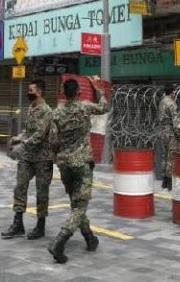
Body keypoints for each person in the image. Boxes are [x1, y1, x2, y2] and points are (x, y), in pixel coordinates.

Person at [48, 76, 110, 264]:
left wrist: (60, 153)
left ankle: (90, 238)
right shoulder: (84, 106)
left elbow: (52, 140)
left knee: (76, 203)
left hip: (65, 164)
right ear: (78, 92)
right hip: (82, 163)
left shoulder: (56, 113)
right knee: (80, 205)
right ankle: (59, 242)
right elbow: (104, 108)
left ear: (64, 94)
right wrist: (98, 88)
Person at [1, 79, 56, 240]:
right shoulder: (31, 108)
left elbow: (39, 135)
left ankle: (40, 226)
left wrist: (22, 144)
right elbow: (28, 130)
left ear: (39, 92)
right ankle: (18, 224)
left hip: (42, 158)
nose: (28, 92)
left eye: (31, 90)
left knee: (42, 192)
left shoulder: (46, 111)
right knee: (20, 187)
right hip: (27, 157)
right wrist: (17, 138)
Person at [157, 86, 178, 190]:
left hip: (163, 131)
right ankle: (170, 182)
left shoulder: (162, 102)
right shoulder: (171, 103)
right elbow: (175, 120)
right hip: (170, 133)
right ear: (173, 93)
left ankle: (164, 181)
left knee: (164, 156)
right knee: (171, 157)